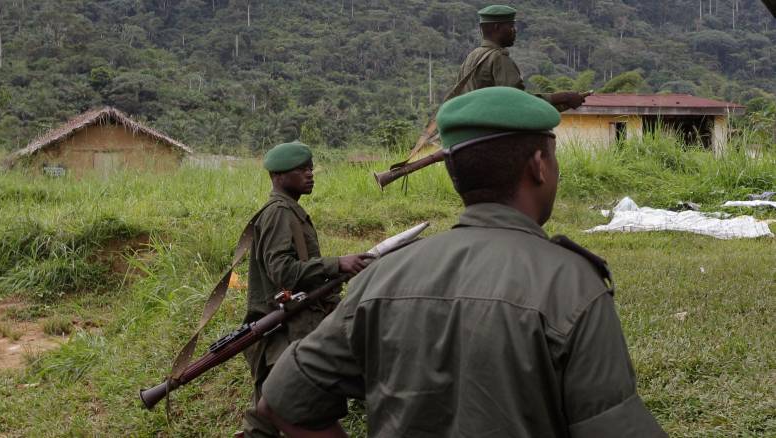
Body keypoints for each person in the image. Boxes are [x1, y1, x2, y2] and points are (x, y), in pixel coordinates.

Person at [255, 89, 666, 437]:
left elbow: (286, 396)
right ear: (539, 167)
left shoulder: (380, 278)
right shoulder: (573, 286)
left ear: (454, 174)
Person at [239, 141, 373, 438]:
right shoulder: (278, 213)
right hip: (282, 330)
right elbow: (282, 273)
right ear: (278, 176)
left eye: (311, 168)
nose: (310, 174)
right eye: (301, 169)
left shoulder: (289, 211)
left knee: (268, 414)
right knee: (283, 410)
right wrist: (336, 264)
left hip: (290, 326)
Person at [455, 5, 587, 112]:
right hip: (490, 128)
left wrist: (563, 102)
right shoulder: (498, 58)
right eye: (511, 26)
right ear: (497, 28)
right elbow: (518, 101)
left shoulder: (472, 56)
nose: (515, 31)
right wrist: (563, 97)